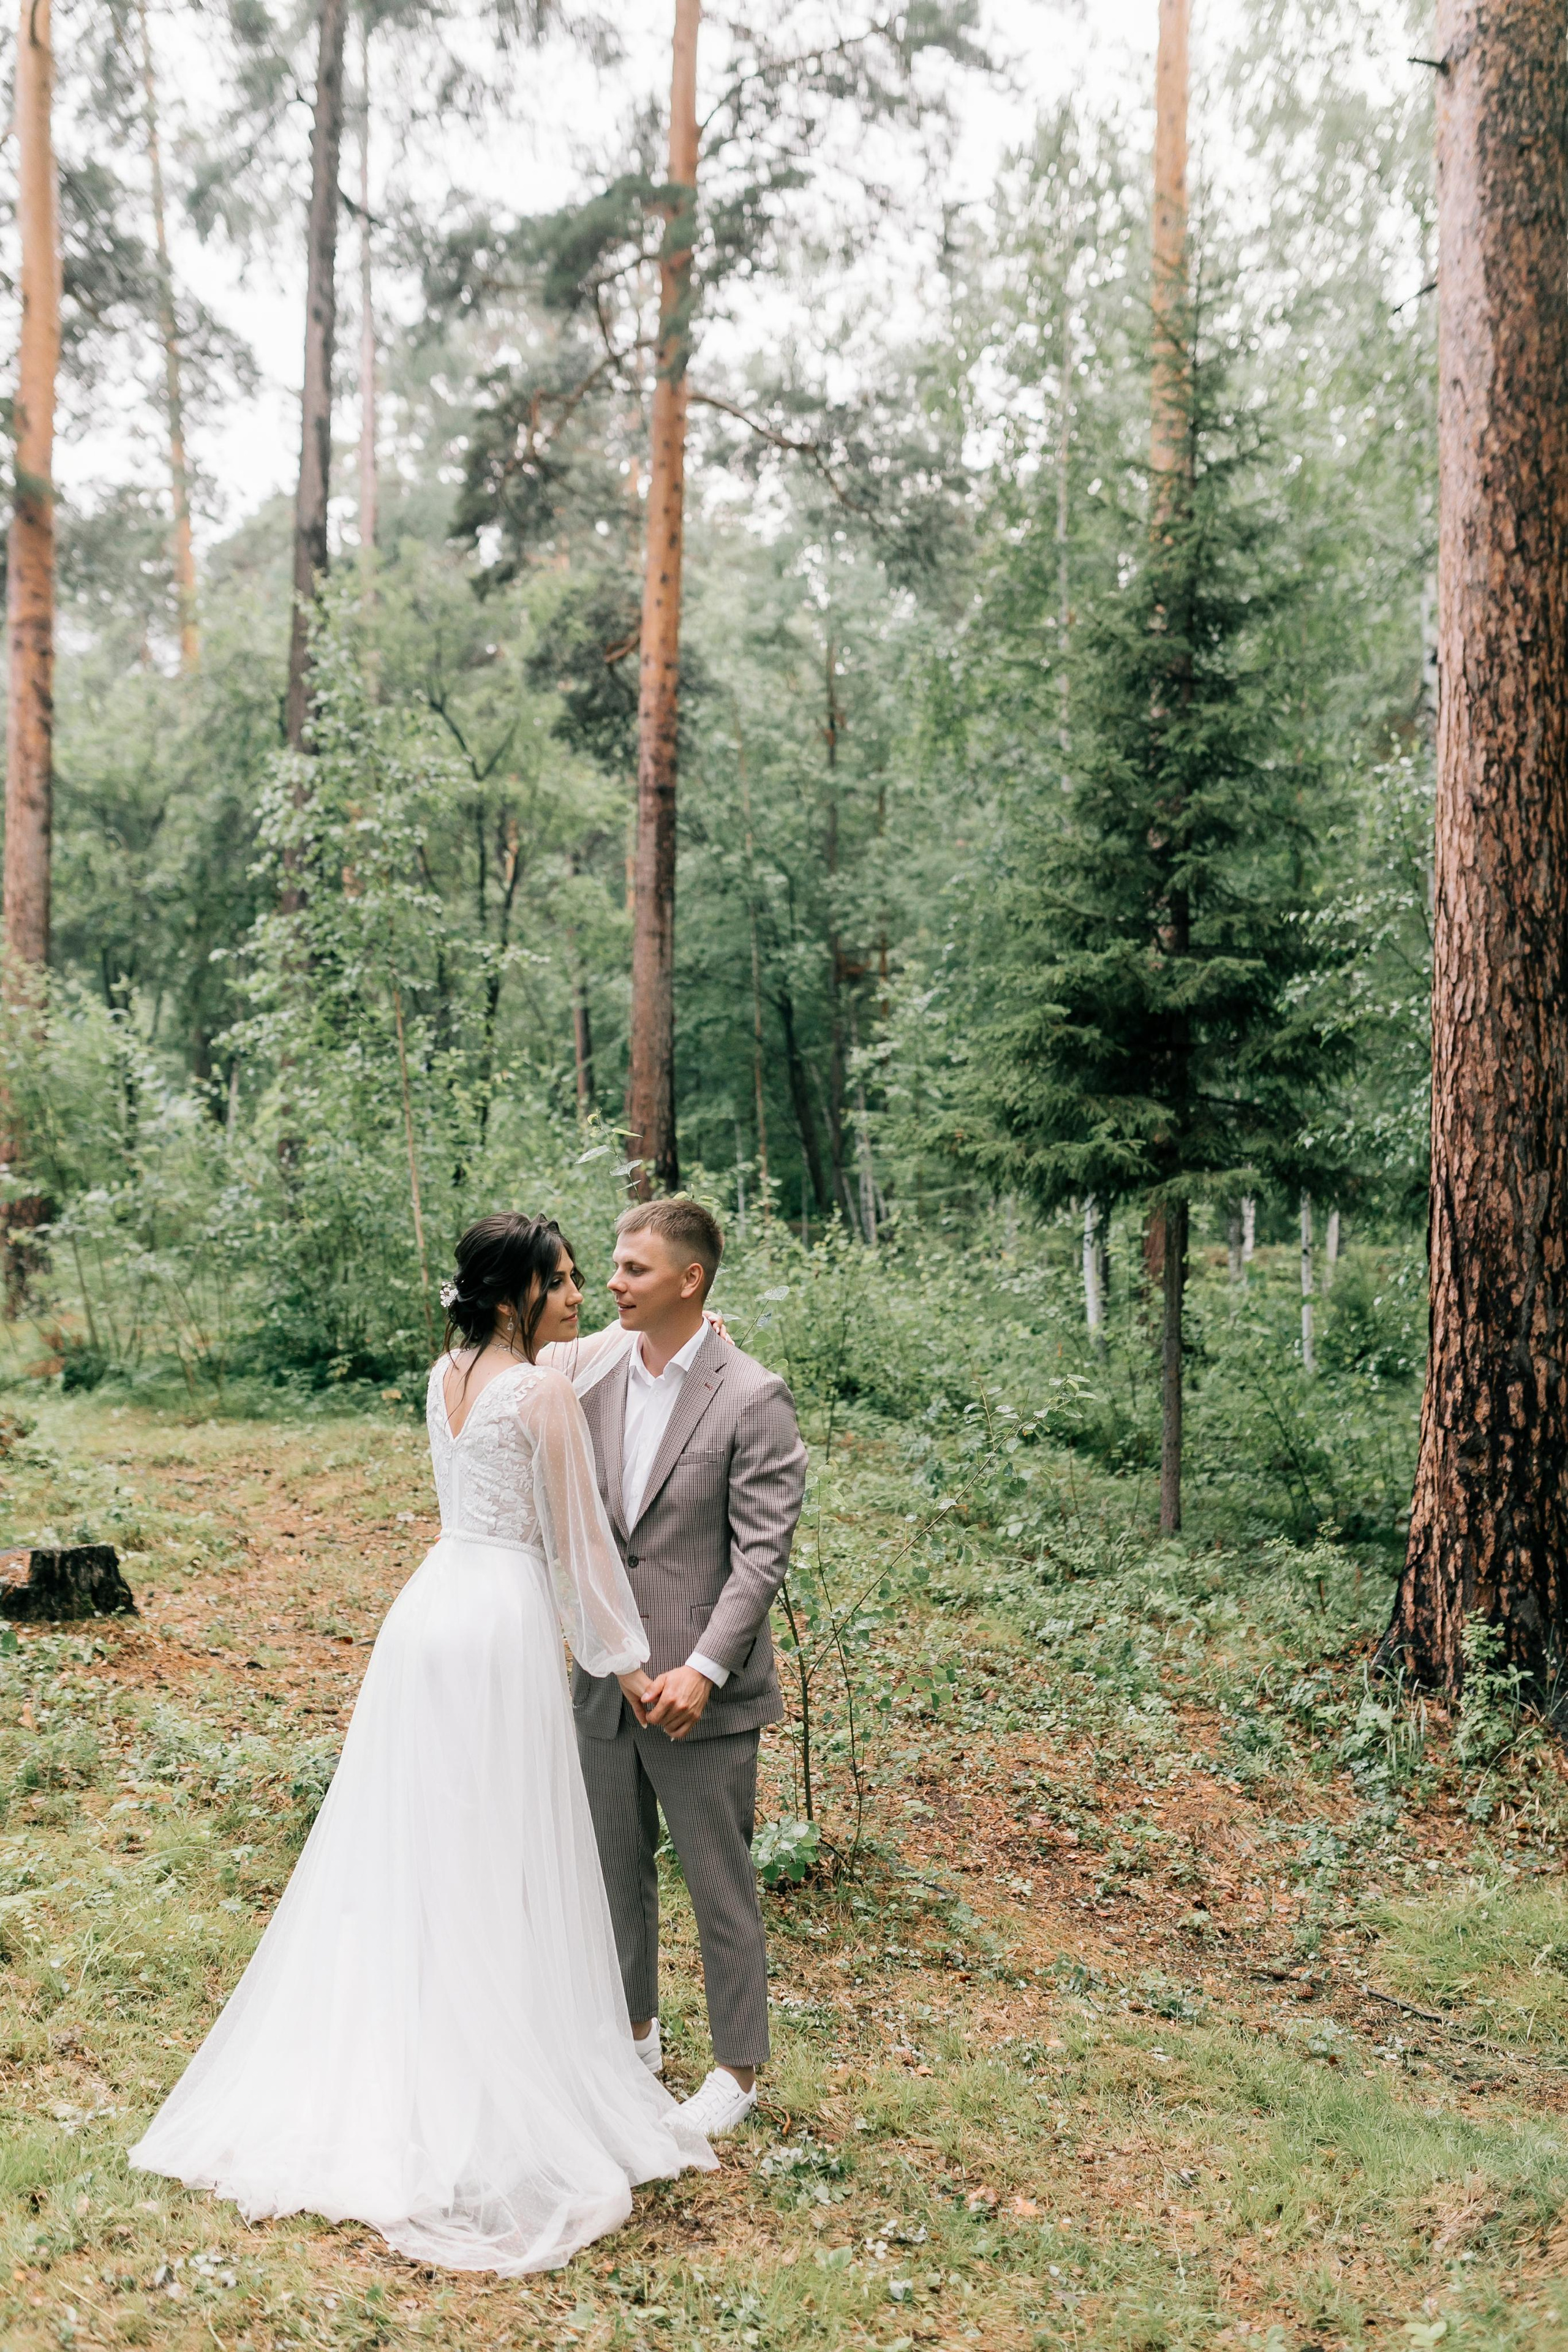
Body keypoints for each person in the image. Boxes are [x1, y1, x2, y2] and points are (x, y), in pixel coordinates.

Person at [129, 1213, 715, 2275]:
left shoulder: (444, 1375)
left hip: (429, 1611)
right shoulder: (537, 1394)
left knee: (419, 1843)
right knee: (498, 1843)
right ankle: (489, 2072)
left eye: (592, 1277)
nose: (581, 1295)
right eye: (565, 1280)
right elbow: (581, 1541)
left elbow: (562, 1373)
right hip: (497, 1625)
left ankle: (413, 2041)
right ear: (514, 1296)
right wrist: (629, 1667)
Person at [564, 1198, 808, 2141]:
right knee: (612, 1871)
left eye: (631, 1270)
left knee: (719, 1879)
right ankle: (633, 2040)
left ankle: (738, 2070)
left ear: (690, 1280)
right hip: (606, 1677)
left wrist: (704, 1668)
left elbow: (761, 1556)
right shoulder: (589, 1379)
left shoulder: (752, 1394)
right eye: (613, 1268)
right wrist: (610, 1655)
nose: (611, 1284)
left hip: (699, 1690)